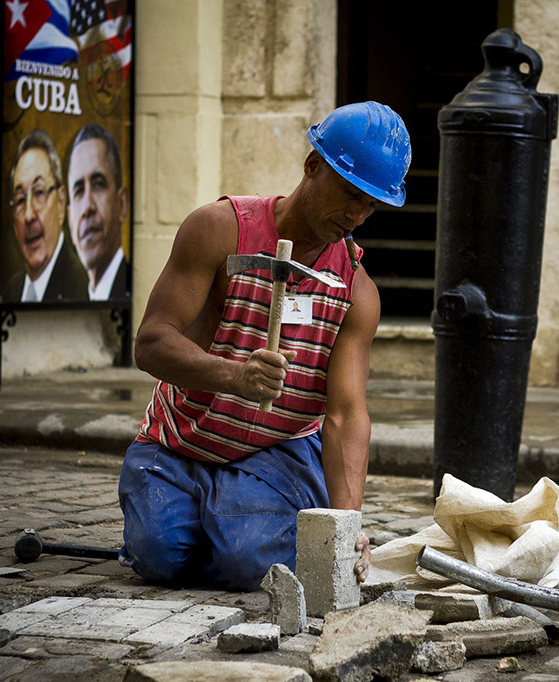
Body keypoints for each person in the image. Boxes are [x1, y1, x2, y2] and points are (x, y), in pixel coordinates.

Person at [119, 101, 412, 591]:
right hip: (180, 443)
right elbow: (150, 344)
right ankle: (210, 524)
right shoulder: (218, 230)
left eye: (371, 205)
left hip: (277, 451)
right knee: (159, 557)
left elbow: (344, 414)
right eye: (350, 194)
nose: (357, 215)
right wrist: (233, 374)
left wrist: (345, 523)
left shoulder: (355, 292)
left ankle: (230, 530)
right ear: (312, 166)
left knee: (249, 562)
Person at [2, 129, 88, 303]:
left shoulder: (82, 286)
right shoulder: (12, 291)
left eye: (39, 193)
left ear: (61, 203)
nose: (28, 216)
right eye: (19, 201)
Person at [67, 123, 129, 300]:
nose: (87, 207)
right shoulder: (77, 295)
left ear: (122, 204)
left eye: (98, 184)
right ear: (70, 221)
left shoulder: (136, 288)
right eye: (78, 191)